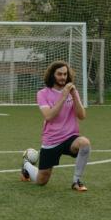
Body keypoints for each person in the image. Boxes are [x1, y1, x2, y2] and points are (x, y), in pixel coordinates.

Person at [21, 60, 91, 192]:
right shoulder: (43, 94)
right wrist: (63, 96)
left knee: (85, 143)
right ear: (52, 75)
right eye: (59, 74)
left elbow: (81, 116)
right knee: (41, 181)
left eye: (65, 74)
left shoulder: (72, 92)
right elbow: (49, 116)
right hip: (52, 140)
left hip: (71, 137)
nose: (63, 77)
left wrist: (74, 95)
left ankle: (76, 181)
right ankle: (26, 165)